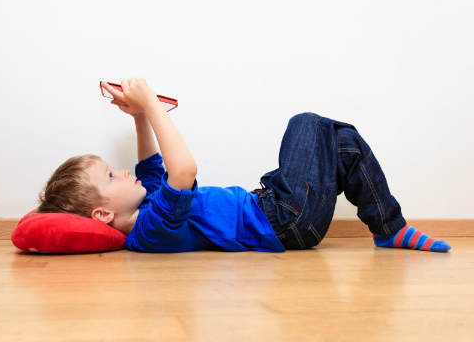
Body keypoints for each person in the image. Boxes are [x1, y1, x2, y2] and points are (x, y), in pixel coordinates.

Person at [36, 78, 451, 253]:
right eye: (112, 176)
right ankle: (392, 229)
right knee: (305, 124)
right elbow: (183, 172)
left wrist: (139, 116)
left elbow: (151, 167)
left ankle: (389, 230)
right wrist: (152, 105)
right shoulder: (151, 230)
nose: (124, 172)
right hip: (283, 224)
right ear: (105, 213)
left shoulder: (144, 206)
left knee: (342, 141)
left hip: (271, 207)